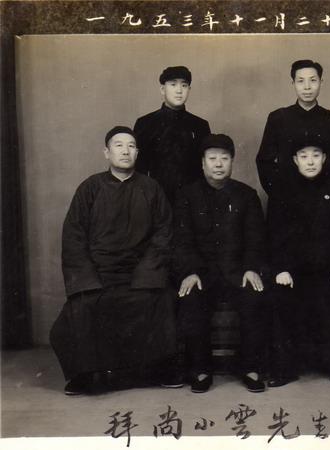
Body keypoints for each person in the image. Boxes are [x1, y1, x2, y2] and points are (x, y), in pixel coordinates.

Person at [50, 126, 177, 395]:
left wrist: (146, 273)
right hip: (99, 273)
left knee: (160, 301)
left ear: (137, 153)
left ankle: (154, 371)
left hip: (140, 272)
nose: (125, 151)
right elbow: (74, 237)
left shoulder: (151, 188)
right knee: (81, 308)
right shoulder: (90, 188)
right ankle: (86, 375)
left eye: (131, 146)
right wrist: (87, 279)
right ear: (107, 152)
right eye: (118, 145)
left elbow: (163, 234)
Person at [172, 134, 269, 393]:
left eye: (224, 158)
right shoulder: (187, 195)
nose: (218, 164)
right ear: (202, 163)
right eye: (212, 158)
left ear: (232, 162)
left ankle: (250, 368)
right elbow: (182, 240)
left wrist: (250, 268)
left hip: (237, 272)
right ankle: (201, 370)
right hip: (202, 273)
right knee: (191, 298)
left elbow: (256, 238)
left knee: (255, 296)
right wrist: (190, 271)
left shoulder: (246, 195)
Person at [266, 139, 330, 388]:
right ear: (295, 160)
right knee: (279, 295)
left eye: (316, 155)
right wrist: (281, 269)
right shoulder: (281, 191)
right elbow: (275, 233)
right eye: (304, 156)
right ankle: (284, 369)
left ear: (324, 158)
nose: (310, 161)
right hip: (294, 272)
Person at [256, 59, 330, 196]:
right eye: (301, 81)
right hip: (287, 198)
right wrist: (280, 194)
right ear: (293, 83)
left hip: (325, 200)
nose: (307, 87)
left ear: (321, 82)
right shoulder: (278, 118)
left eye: (313, 80)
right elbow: (264, 161)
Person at [134, 65, 211, 204]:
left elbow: (205, 168)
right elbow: (139, 169)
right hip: (155, 200)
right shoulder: (145, 123)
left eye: (184, 85)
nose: (179, 90)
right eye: (173, 84)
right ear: (162, 89)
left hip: (192, 201)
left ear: (189, 90)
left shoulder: (200, 125)